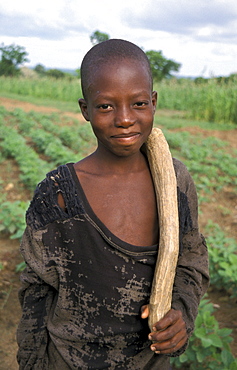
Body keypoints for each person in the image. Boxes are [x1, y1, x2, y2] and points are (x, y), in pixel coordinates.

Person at [17, 39, 209, 370]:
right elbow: (36, 292)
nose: (124, 119)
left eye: (137, 104)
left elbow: (190, 261)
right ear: (85, 109)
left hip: (150, 362)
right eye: (106, 106)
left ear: (153, 102)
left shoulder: (174, 181)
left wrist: (181, 314)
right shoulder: (57, 195)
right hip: (65, 360)